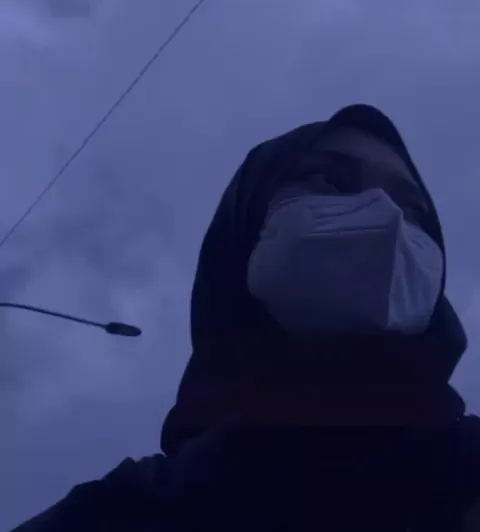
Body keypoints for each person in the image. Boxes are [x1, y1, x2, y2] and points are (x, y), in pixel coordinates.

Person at [11, 104, 480, 531]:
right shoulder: (122, 513)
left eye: (413, 210)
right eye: (329, 179)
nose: (387, 215)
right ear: (244, 226)